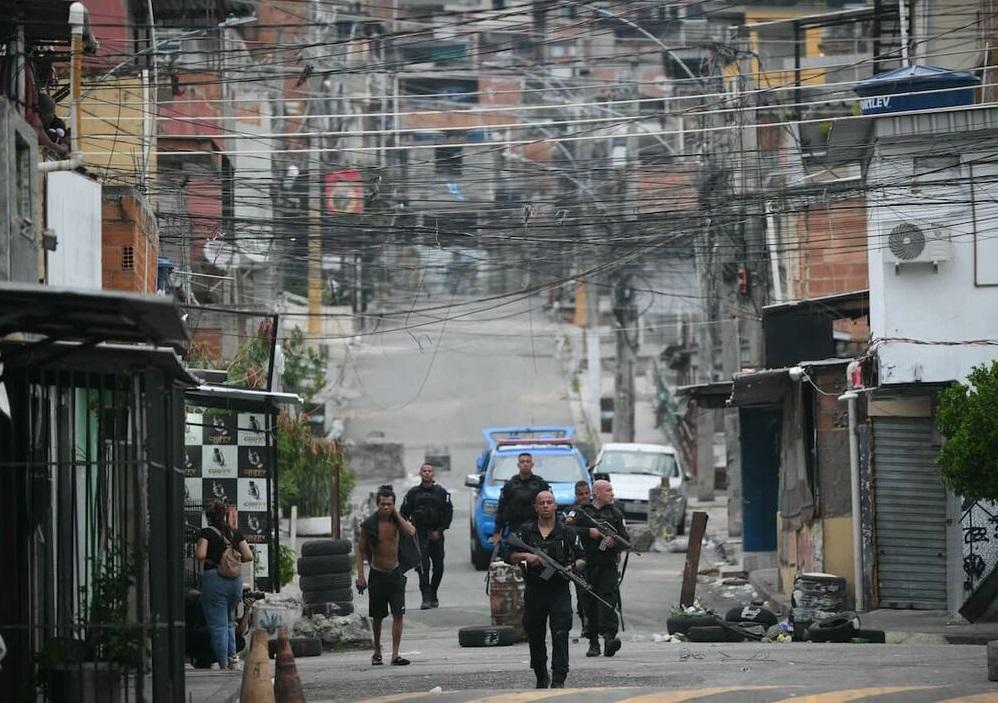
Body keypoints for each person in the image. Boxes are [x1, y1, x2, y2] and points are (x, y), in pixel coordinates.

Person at [508, 490, 580, 689]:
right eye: (542, 503)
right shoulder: (526, 531)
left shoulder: (567, 532)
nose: (546, 505)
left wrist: (572, 568)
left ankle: (559, 678)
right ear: (536, 507)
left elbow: (582, 557)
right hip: (535, 590)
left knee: (560, 633)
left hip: (559, 589)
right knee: (535, 633)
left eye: (550, 502)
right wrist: (528, 557)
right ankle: (540, 673)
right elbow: (510, 555)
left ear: (556, 506)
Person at [356, 485, 418, 666]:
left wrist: (396, 514)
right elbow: (360, 550)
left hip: (395, 573)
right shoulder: (369, 525)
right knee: (377, 616)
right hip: (377, 573)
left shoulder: (398, 522)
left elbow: (410, 532)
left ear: (393, 505)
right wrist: (361, 576)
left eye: (389, 504)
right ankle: (377, 651)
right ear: (377, 504)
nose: (385, 507)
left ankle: (395, 654)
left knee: (398, 614)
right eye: (382, 504)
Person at [194, 500, 254, 671]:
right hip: (235, 583)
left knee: (218, 625)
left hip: (215, 581)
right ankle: (233, 660)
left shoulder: (206, 533)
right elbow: (248, 556)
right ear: (224, 515)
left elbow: (200, 554)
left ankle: (222, 664)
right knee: (228, 622)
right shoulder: (235, 533)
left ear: (208, 516)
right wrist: (232, 560)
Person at [578, 479, 628, 658]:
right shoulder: (582, 512)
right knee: (588, 603)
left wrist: (614, 543)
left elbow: (625, 540)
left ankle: (609, 639)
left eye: (612, 490)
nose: (612, 493)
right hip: (585, 564)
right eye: (608, 490)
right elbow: (567, 531)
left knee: (608, 600)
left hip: (607, 563)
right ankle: (593, 642)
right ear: (597, 493)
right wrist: (588, 532)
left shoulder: (615, 513)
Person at [400, 463, 453, 609]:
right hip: (419, 534)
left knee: (439, 567)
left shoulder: (441, 493)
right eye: (424, 471)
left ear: (433, 474)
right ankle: (426, 597)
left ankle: (433, 593)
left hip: (436, 533)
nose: (427, 473)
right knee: (423, 567)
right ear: (420, 474)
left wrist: (440, 530)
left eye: (430, 471)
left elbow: (448, 513)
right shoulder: (413, 494)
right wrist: (409, 530)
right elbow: (403, 514)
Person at [491, 452, 549, 545]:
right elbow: (501, 509)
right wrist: (497, 532)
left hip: (536, 528)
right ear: (518, 465)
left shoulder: (541, 484)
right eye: (522, 462)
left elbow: (550, 508)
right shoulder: (510, 485)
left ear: (532, 465)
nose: (525, 464)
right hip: (514, 527)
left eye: (528, 461)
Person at [564, 480, 593, 640]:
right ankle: (586, 624)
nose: (584, 496)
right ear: (576, 495)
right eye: (580, 494)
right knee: (583, 593)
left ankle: (599, 624)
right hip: (579, 558)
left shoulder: (596, 510)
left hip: (597, 557)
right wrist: (589, 531)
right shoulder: (572, 512)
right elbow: (568, 528)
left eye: (586, 493)